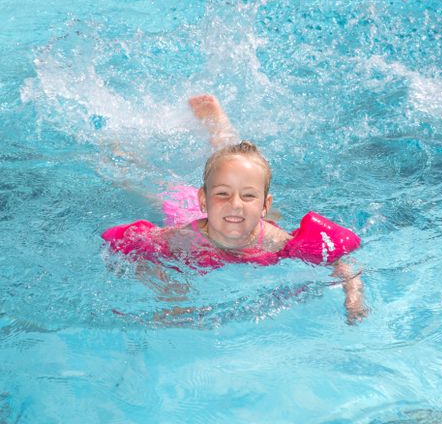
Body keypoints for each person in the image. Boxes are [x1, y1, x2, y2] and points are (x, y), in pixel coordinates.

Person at [103, 94, 367, 323]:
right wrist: (165, 287)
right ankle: (114, 151)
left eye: (248, 197)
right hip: (185, 209)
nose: (235, 204)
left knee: (240, 170)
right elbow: (135, 251)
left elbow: (342, 266)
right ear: (204, 199)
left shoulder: (276, 242)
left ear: (264, 204)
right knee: (144, 186)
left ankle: (219, 127)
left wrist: (353, 298)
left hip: (258, 223)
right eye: (223, 195)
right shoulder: (184, 238)